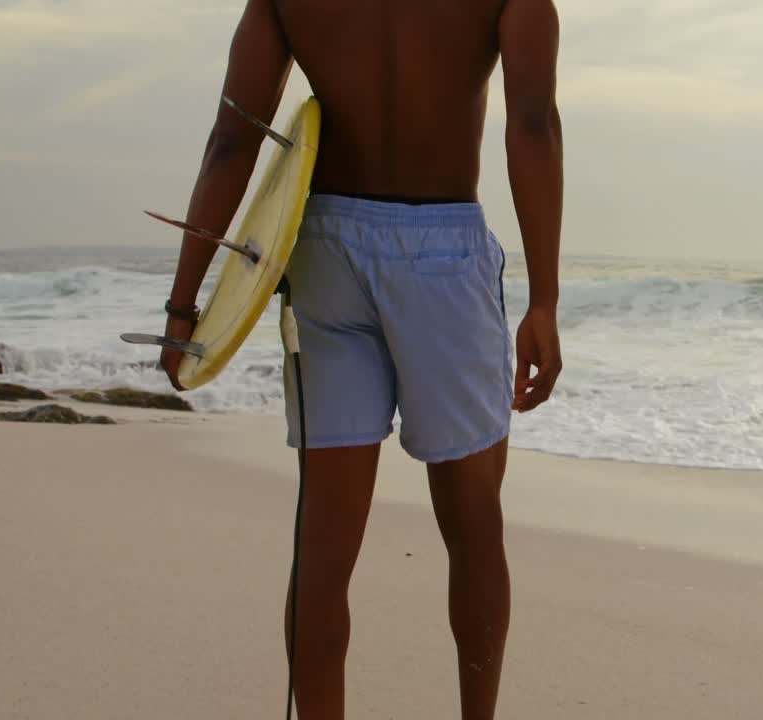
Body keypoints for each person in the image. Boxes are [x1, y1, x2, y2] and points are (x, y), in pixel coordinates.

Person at [156, 1, 563, 717]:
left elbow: (233, 139)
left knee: (323, 543)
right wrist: (545, 301)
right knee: (473, 526)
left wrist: (183, 307)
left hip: (325, 249)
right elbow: (532, 123)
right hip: (443, 248)